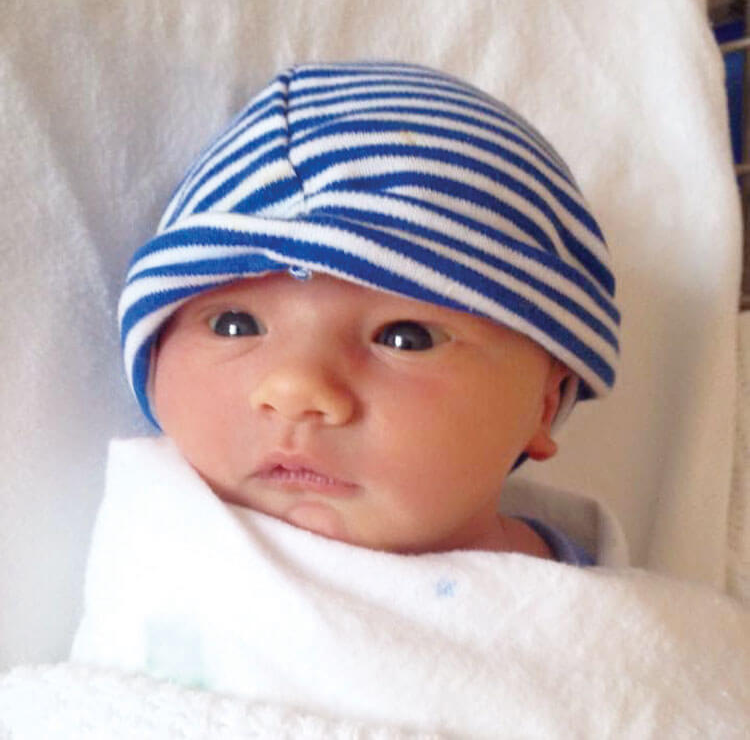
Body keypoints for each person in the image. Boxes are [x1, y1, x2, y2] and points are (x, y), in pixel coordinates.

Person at [118, 60, 620, 566]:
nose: (295, 390)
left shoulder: (572, 603)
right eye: (234, 325)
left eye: (406, 339)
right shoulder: (158, 549)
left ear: (544, 405)